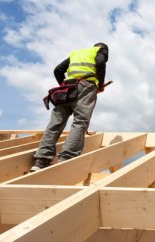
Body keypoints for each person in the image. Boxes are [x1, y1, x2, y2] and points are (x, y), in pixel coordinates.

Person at [30, 43, 109, 172]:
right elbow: (100, 63)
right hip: (85, 87)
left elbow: (58, 70)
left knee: (55, 123)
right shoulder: (100, 50)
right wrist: (100, 85)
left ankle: (41, 161)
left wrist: (63, 84)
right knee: (80, 122)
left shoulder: (76, 53)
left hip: (66, 88)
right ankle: (67, 159)